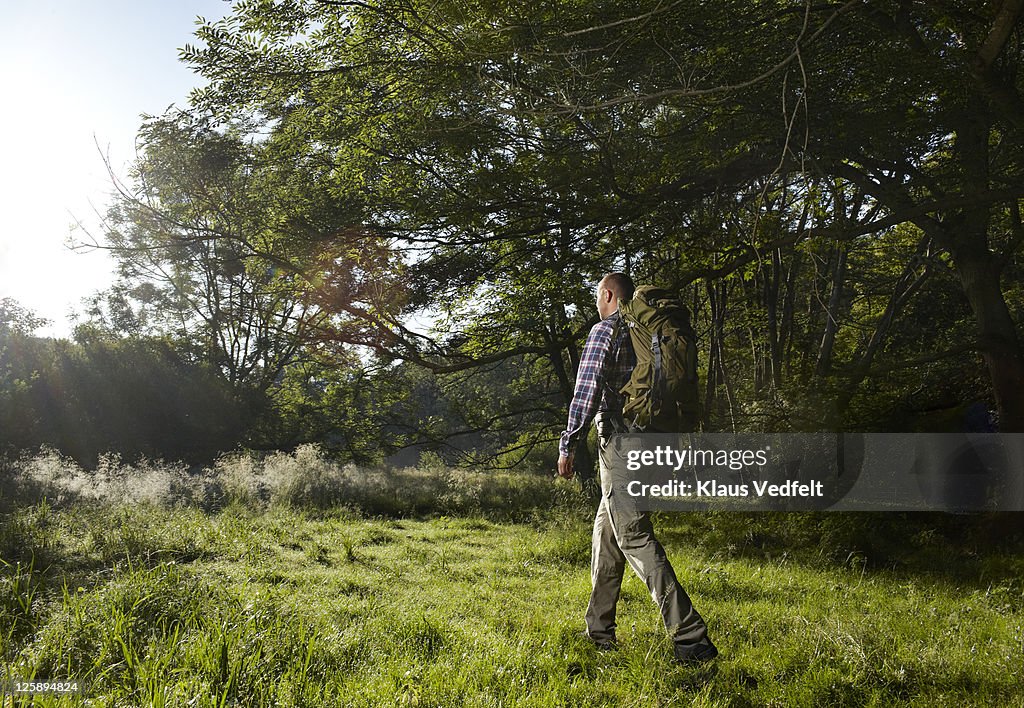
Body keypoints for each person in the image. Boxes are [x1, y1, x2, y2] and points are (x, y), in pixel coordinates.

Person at [557, 272, 718, 665]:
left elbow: (587, 390)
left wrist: (569, 443)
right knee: (608, 535)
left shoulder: (605, 331)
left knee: (633, 537)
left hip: (621, 444)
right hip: (653, 440)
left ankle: (690, 637)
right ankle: (599, 631)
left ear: (608, 294)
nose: (597, 302)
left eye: (598, 295)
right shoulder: (644, 334)